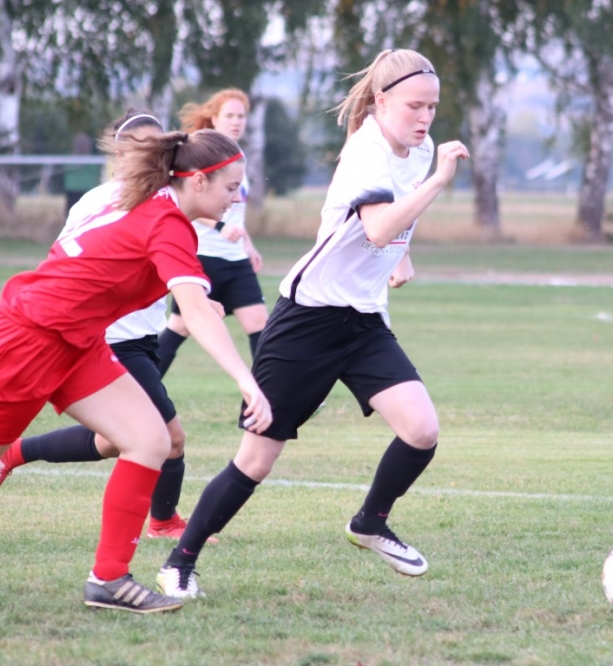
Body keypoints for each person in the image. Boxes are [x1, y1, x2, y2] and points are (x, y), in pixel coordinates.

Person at [156, 48, 469, 600]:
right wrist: (439, 182)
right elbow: (377, 227)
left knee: (422, 430)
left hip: (363, 321)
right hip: (308, 320)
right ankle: (180, 561)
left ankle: (370, 522)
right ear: (381, 101)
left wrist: (402, 255)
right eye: (414, 106)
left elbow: (388, 226)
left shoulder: (417, 150)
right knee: (256, 460)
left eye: (432, 107)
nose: (425, 118)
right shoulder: (367, 151)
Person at [0, 124, 273, 614]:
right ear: (198, 181)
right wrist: (249, 383)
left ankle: (109, 580)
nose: (237, 197)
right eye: (231, 187)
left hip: (75, 343)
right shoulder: (166, 221)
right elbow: (193, 310)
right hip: (26, 342)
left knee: (150, 441)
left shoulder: (152, 204)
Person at [0, 110, 217, 542]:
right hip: (111, 339)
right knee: (168, 438)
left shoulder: (167, 200)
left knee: (114, 441)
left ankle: (13, 454)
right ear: (120, 155)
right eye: (140, 147)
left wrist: (195, 298)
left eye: (158, 145)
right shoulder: (100, 200)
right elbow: (70, 265)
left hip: (144, 337)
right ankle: (163, 523)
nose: (152, 154)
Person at [156, 88, 267, 375]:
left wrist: (248, 245)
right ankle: (143, 386)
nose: (236, 122)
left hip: (236, 259)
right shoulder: (204, 154)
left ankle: (262, 397)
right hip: (205, 256)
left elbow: (236, 211)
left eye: (241, 116)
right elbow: (189, 204)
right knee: (180, 326)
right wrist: (219, 226)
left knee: (259, 323)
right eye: (229, 115)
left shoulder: (238, 157)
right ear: (214, 119)